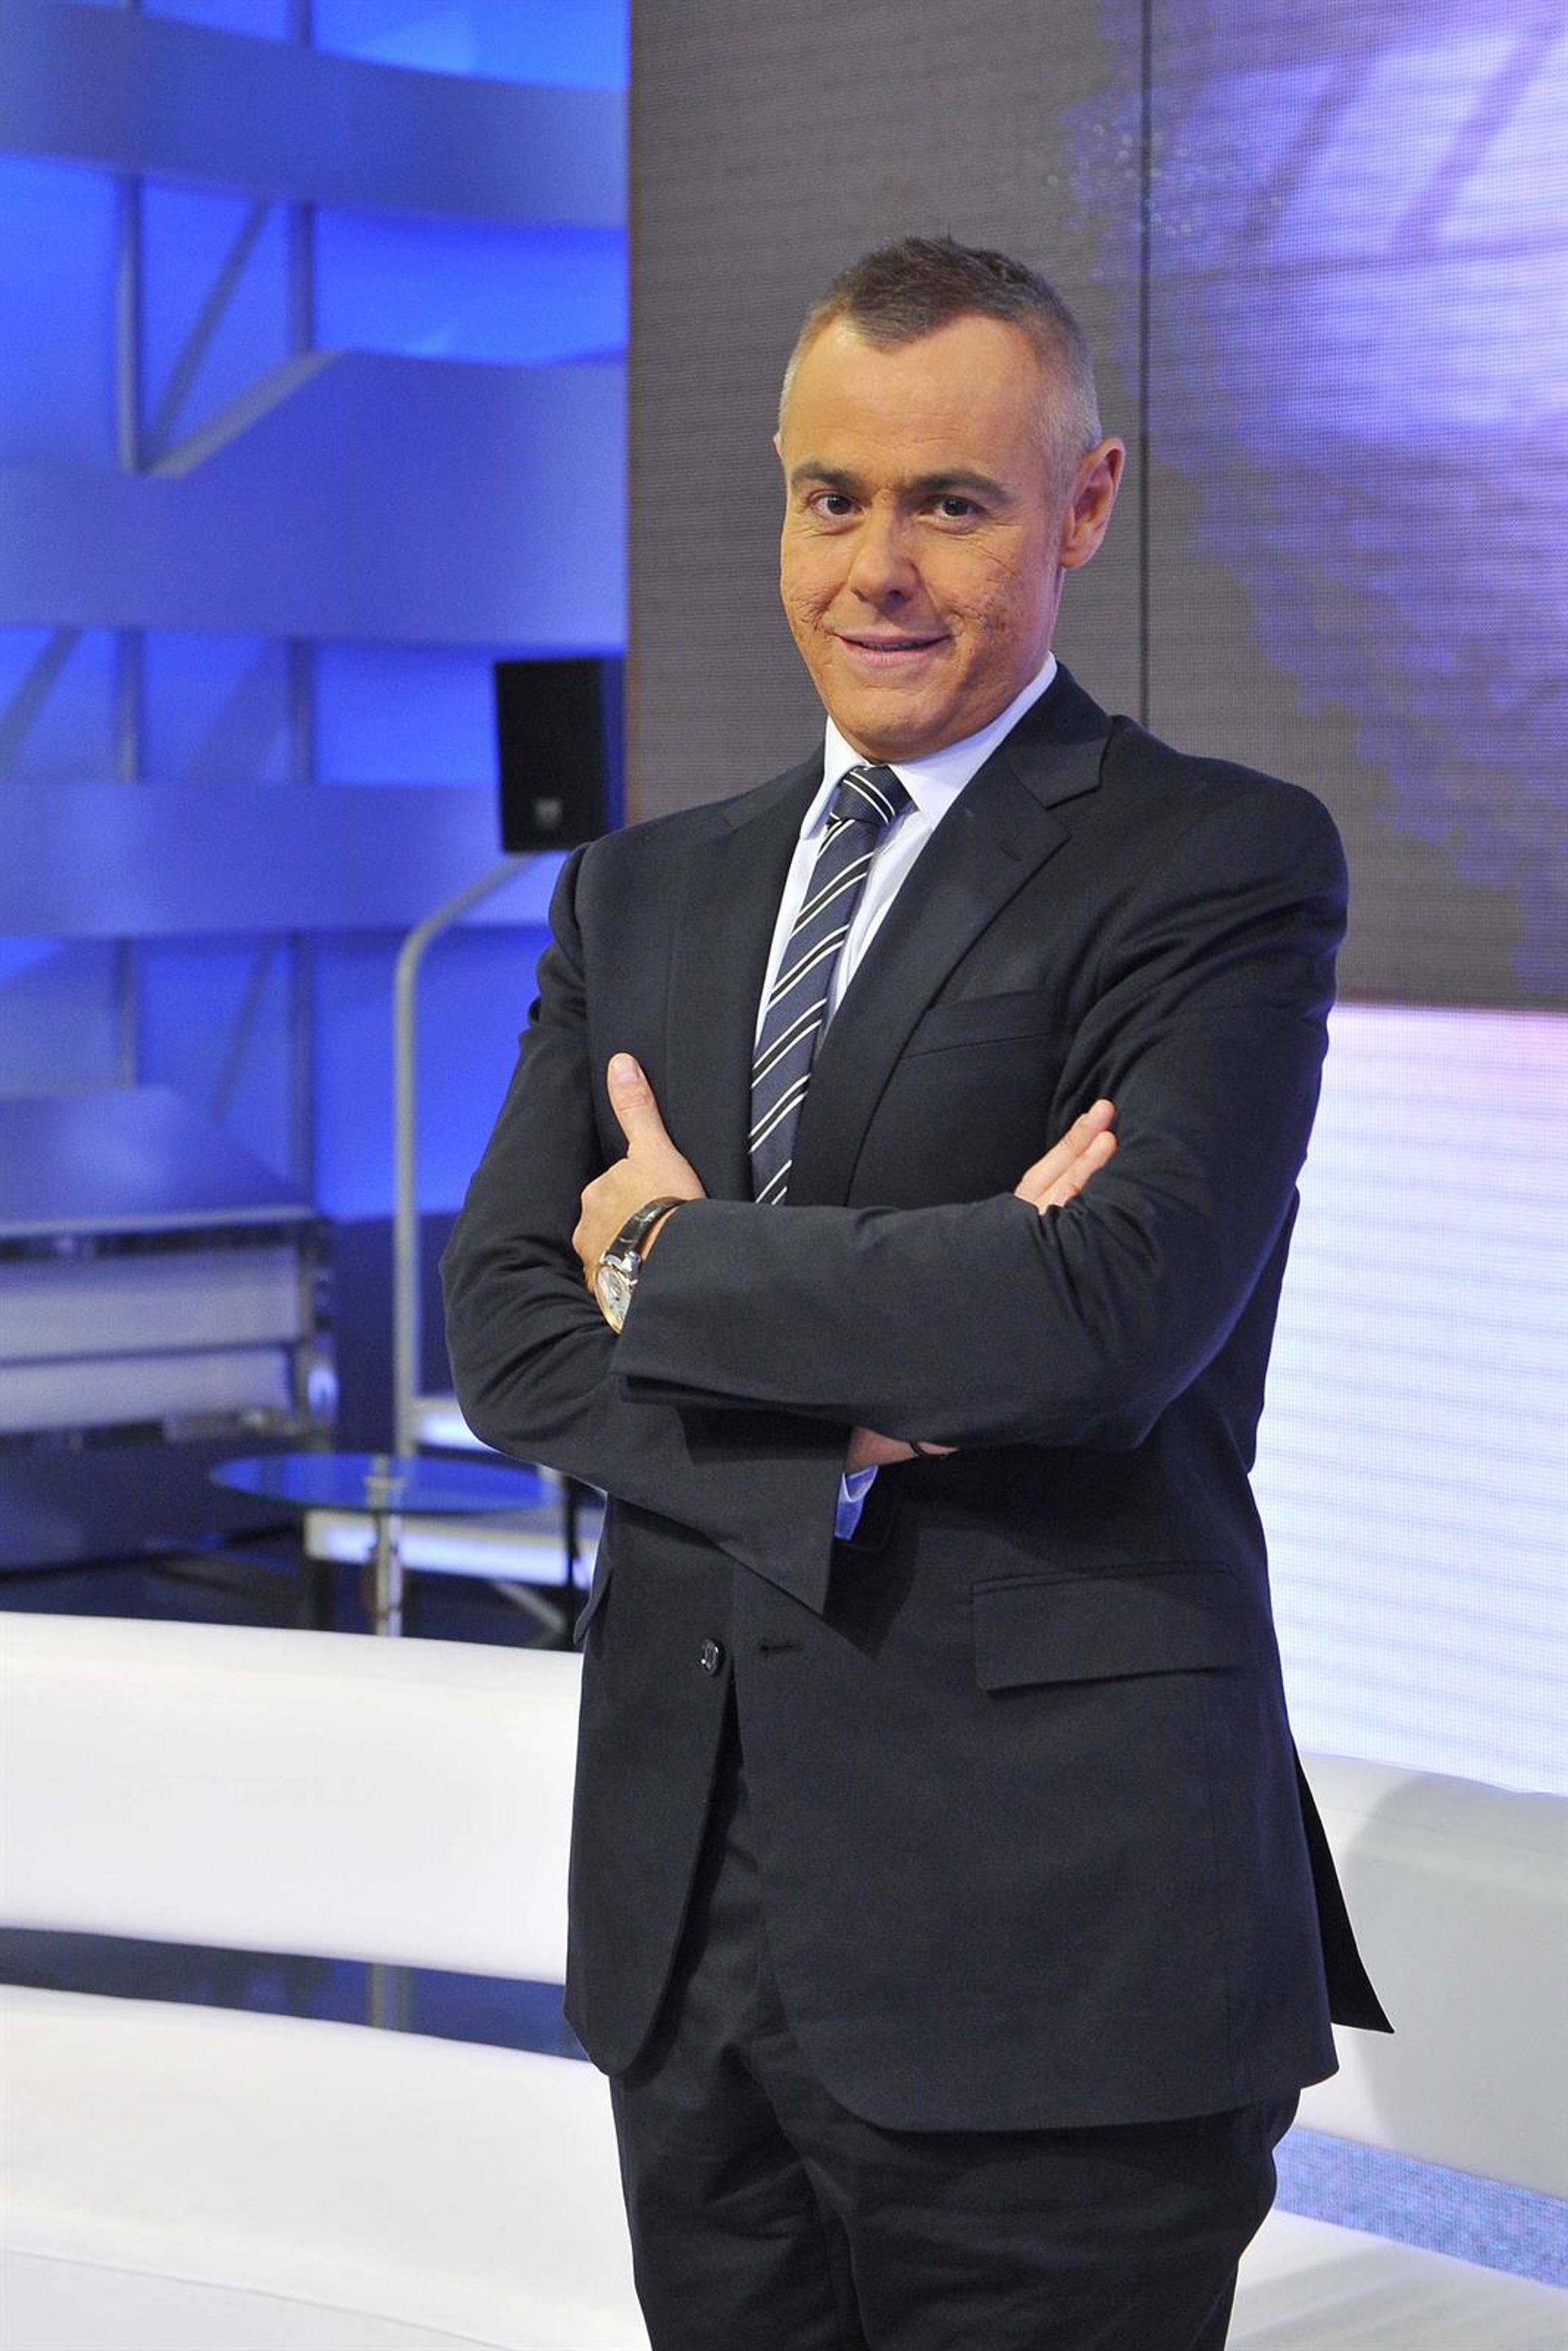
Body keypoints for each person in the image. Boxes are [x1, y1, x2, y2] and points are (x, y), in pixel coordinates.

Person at [442, 236, 1388, 2351]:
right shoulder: (641, 890)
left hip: (1057, 1957)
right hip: (692, 1940)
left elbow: (1104, 1316)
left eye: (951, 503)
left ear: (1084, 502)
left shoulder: (1217, 863)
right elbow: (501, 1320)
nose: (876, 568)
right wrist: (850, 1424)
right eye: (830, 497)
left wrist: (662, 1259)